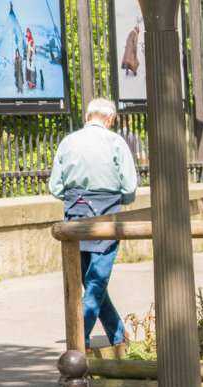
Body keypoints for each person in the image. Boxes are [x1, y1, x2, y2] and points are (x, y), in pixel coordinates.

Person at [48, 98, 139, 352]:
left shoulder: (68, 142)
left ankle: (118, 335)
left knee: (92, 283)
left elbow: (55, 186)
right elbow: (129, 187)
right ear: (110, 119)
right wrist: (121, 198)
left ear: (88, 116)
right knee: (96, 282)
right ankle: (80, 339)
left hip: (75, 218)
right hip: (107, 217)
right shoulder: (116, 142)